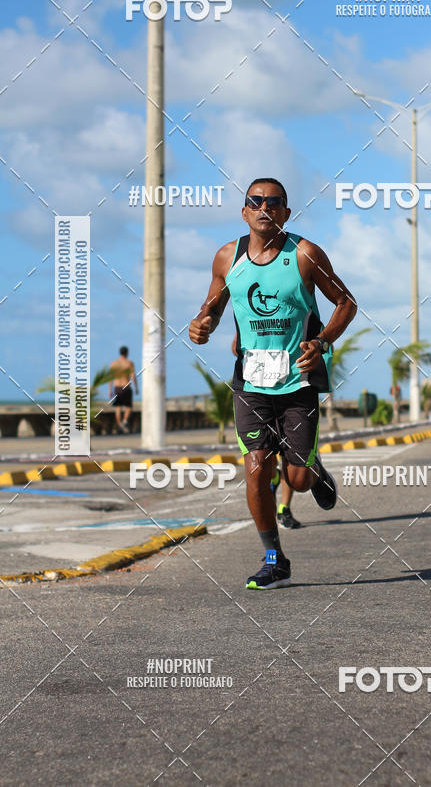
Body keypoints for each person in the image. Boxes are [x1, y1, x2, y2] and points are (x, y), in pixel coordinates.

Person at [189, 177, 356, 589]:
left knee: (296, 479)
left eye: (274, 202)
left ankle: (314, 473)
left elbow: (346, 303)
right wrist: (202, 325)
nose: (265, 207)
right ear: (244, 211)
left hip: (298, 379)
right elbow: (211, 307)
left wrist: (321, 341)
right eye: (256, 201)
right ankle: (273, 557)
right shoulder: (228, 258)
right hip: (251, 381)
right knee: (256, 467)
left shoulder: (304, 254)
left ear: (286, 211)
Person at [231, 336, 301, 529]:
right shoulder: (253, 319)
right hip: (259, 395)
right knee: (264, 462)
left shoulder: (296, 315)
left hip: (292, 394)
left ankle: (284, 508)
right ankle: (275, 478)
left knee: (291, 460)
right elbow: (235, 346)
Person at [108, 346, 138, 434]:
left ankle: (120, 424)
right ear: (127, 353)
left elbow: (110, 378)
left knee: (118, 407)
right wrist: (136, 388)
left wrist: (109, 390)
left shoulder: (114, 363)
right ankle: (124, 421)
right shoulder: (129, 363)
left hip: (117, 387)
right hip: (126, 387)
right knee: (128, 406)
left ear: (120, 352)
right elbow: (133, 376)